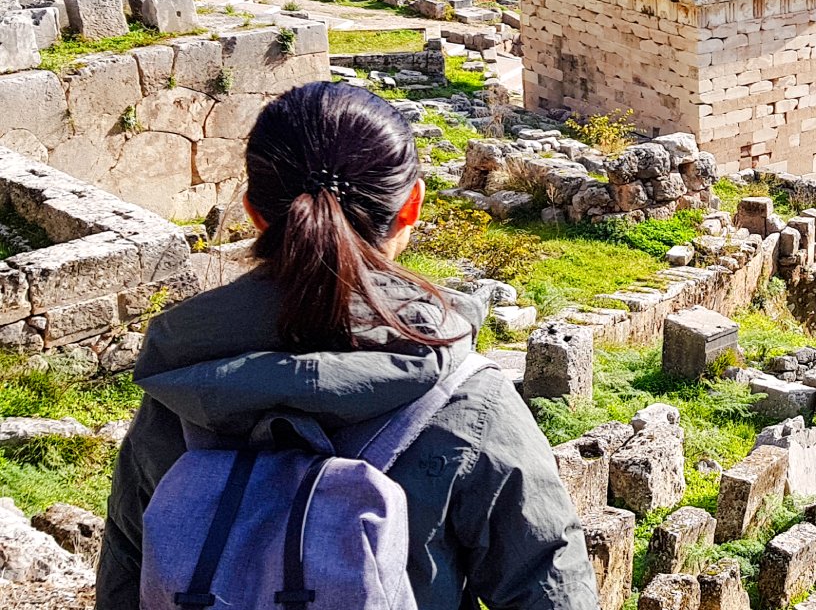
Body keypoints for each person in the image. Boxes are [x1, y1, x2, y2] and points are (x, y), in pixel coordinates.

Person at [96, 82, 597, 610]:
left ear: (252, 211)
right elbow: (553, 591)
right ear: (411, 208)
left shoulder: (180, 393)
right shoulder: (470, 407)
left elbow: (125, 583)